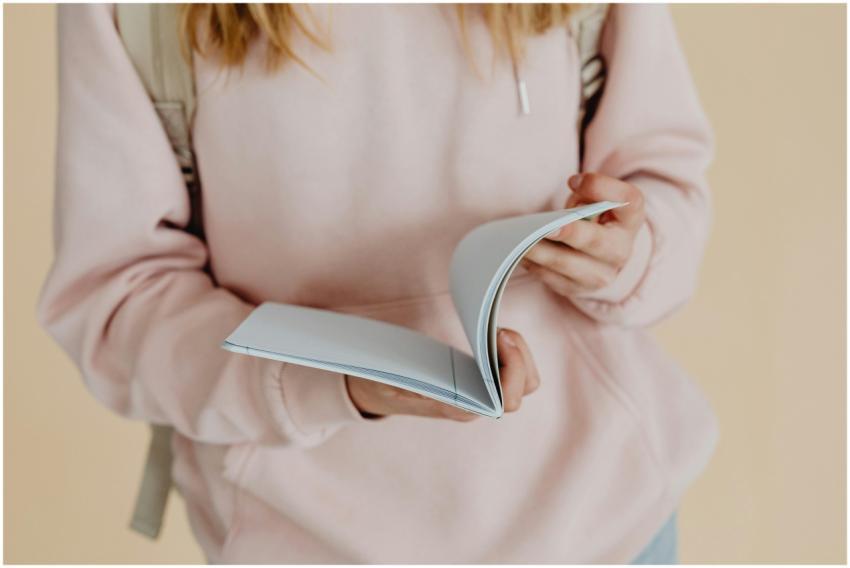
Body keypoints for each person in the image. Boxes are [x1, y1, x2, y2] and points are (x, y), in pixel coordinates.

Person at [39, 3, 717, 563]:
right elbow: (117, 302)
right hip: (301, 539)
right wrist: (329, 382)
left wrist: (623, 253)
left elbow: (667, 188)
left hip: (603, 528)